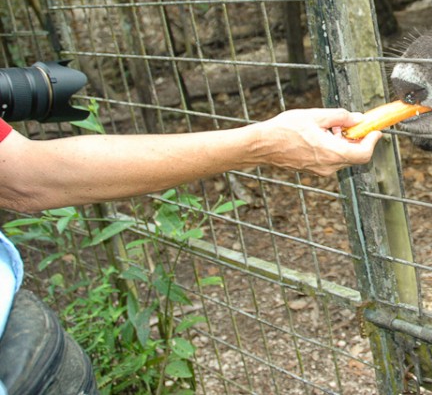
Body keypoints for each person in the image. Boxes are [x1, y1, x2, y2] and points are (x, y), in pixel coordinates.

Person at [0, 109, 382, 395]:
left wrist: (263, 142)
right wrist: (264, 144)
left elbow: (20, 173)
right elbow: (24, 179)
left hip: (30, 341)